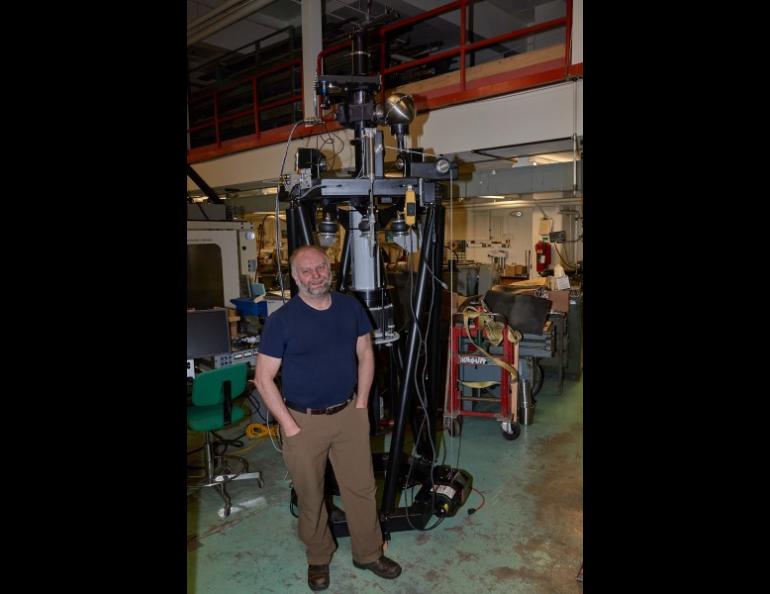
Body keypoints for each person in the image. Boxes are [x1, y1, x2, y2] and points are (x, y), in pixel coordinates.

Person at [253, 244, 402, 591]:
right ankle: (318, 557)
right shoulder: (282, 321)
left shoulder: (350, 307)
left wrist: (362, 403)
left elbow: (365, 353)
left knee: (361, 488)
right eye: (306, 271)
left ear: (329, 268)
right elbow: (263, 378)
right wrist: (289, 426)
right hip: (303, 421)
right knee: (310, 493)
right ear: (295, 277)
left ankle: (368, 552)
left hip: (349, 413)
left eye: (320, 268)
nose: (315, 276)